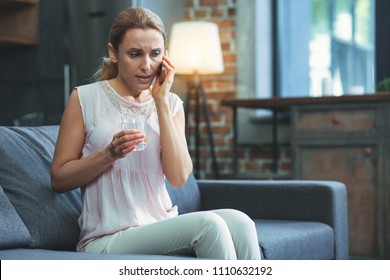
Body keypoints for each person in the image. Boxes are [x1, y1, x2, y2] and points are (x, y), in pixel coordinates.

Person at [51, 7, 261, 260]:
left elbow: (179, 176)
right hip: (108, 237)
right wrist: (108, 154)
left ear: (166, 57)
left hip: (158, 224)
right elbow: (59, 179)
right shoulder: (84, 98)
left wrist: (160, 102)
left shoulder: (171, 104)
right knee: (210, 226)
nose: (147, 66)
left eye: (155, 54)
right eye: (135, 54)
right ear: (113, 53)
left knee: (241, 222)